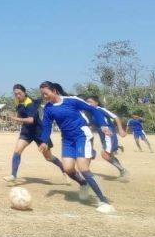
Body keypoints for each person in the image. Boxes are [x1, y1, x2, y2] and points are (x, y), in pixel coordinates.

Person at [38, 81, 115, 214]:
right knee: (67, 169)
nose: (44, 96)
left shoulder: (72, 101)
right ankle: (83, 184)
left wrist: (103, 125)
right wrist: (44, 141)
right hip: (67, 140)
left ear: (54, 90)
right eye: (42, 94)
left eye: (46, 93)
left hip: (82, 136)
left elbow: (93, 109)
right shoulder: (48, 108)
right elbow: (46, 127)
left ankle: (104, 201)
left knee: (83, 168)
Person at [3, 84, 69, 184]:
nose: (17, 96)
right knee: (17, 151)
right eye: (15, 94)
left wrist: (15, 118)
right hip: (27, 132)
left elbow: (31, 120)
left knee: (49, 157)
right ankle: (13, 175)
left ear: (24, 92)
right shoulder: (17, 102)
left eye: (19, 93)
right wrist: (14, 124)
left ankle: (65, 172)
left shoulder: (31, 103)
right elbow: (20, 117)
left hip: (39, 132)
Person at [85, 96, 129, 181]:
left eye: (90, 102)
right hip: (103, 135)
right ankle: (122, 171)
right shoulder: (90, 113)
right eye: (87, 102)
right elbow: (94, 124)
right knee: (109, 155)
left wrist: (120, 130)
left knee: (105, 154)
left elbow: (116, 117)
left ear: (96, 103)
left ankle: (123, 171)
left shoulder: (100, 109)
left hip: (108, 132)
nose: (88, 104)